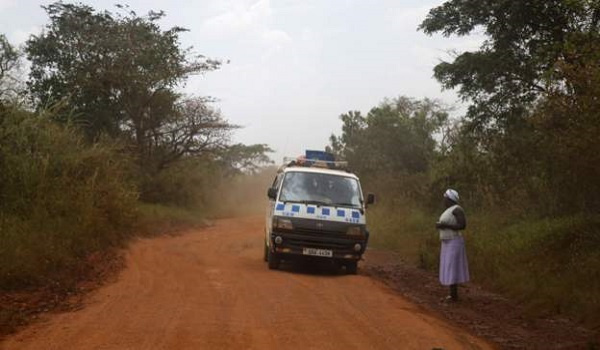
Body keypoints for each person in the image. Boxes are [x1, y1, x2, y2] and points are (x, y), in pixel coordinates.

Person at [435, 189, 469, 302]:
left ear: (450, 199)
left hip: (454, 241)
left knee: (452, 267)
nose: (443, 200)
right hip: (447, 242)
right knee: (449, 267)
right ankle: (452, 294)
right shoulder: (449, 210)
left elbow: (462, 225)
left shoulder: (457, 209)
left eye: (445, 198)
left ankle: (453, 295)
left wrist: (445, 225)